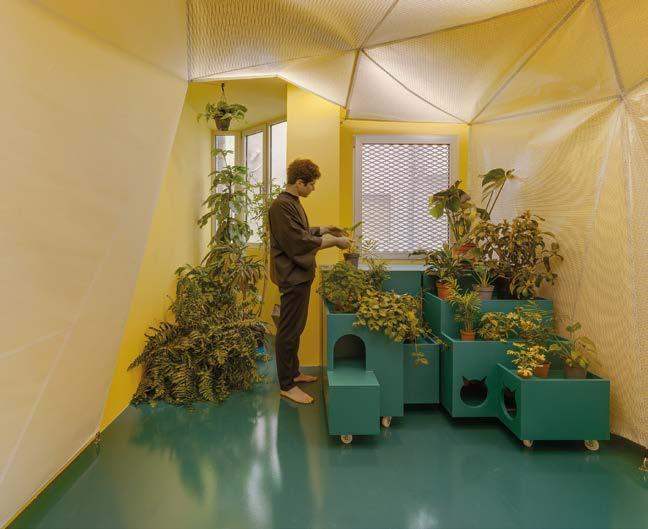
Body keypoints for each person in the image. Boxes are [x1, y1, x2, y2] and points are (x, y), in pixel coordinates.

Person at [268, 159, 350, 404]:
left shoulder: (291, 203)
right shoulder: (280, 206)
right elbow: (298, 242)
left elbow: (302, 232)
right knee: (288, 330)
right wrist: (335, 242)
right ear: (299, 182)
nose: (313, 189)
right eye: (311, 184)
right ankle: (287, 385)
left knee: (296, 328)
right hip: (292, 277)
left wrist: (325, 229)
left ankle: (293, 373)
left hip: (299, 277)